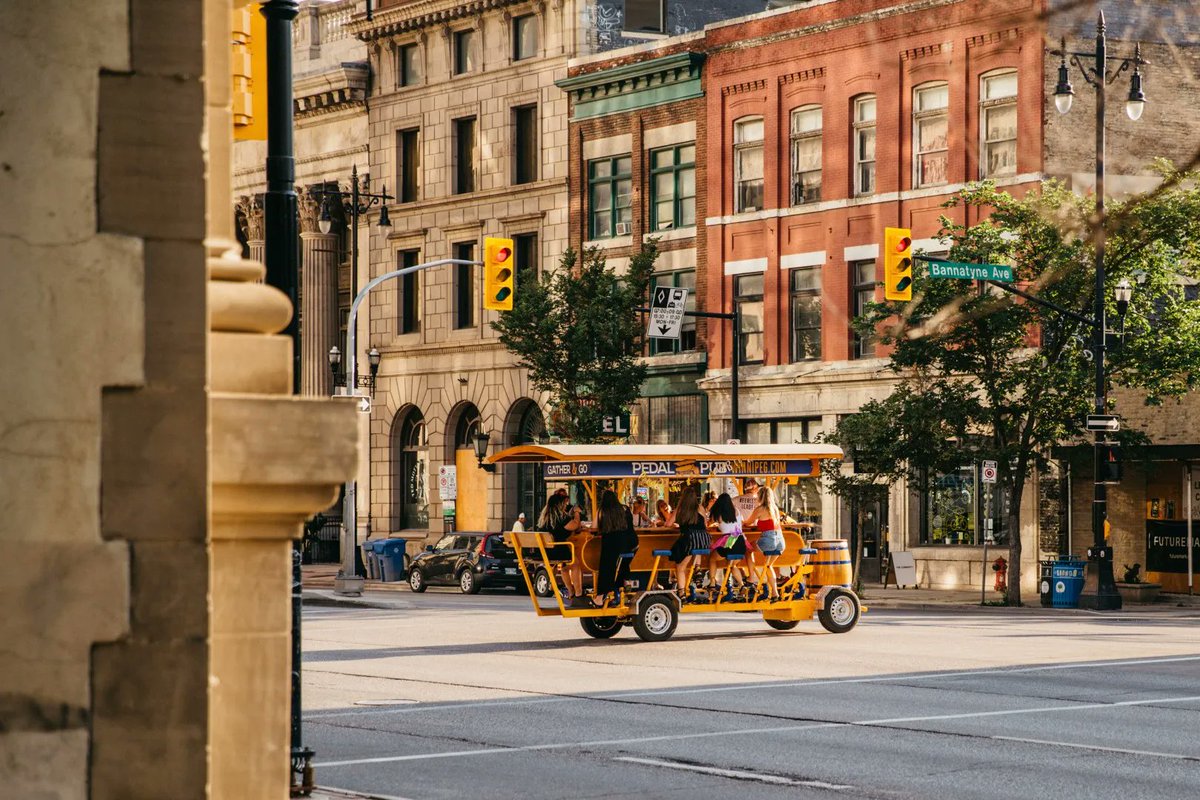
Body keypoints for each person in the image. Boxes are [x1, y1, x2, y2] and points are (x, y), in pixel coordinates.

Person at [536, 493, 588, 606]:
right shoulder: (559, 516)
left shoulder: (546, 516)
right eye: (564, 503)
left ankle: (571, 590)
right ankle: (578, 593)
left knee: (565, 567)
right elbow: (575, 525)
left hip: (546, 551)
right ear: (560, 504)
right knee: (575, 564)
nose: (565, 505)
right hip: (557, 550)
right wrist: (577, 513)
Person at [593, 490, 636, 603]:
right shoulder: (625, 508)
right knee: (623, 562)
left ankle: (601, 595)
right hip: (630, 543)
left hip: (611, 542)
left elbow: (594, 527)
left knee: (606, 566)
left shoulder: (602, 510)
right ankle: (621, 584)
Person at [743, 485, 785, 602]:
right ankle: (774, 594)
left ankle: (751, 578)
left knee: (748, 549)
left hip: (768, 539)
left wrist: (740, 520)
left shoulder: (760, 509)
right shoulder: (775, 508)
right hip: (780, 540)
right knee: (768, 566)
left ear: (760, 496)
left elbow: (747, 523)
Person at [669, 486, 709, 600]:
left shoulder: (681, 508)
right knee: (695, 548)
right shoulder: (700, 507)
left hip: (690, 539)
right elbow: (705, 524)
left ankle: (681, 593)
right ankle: (697, 569)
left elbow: (667, 524)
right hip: (704, 539)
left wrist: (676, 524)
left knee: (680, 566)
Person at [708, 493, 749, 591]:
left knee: (712, 559)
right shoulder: (737, 511)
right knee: (732, 565)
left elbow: (708, 524)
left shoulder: (718, 514)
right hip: (740, 541)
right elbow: (741, 522)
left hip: (729, 540)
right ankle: (741, 585)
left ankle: (713, 583)